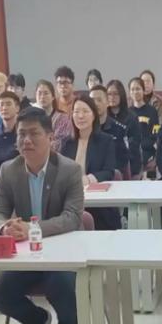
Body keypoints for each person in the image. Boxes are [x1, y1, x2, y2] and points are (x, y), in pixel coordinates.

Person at [0, 108, 85, 324]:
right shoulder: (9, 170)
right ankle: (36, 321)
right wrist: (4, 228)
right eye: (21, 134)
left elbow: (72, 217)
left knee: (60, 285)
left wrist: (32, 230)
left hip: (63, 250)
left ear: (50, 137)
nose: (26, 140)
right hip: (26, 254)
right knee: (0, 294)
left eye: (34, 134)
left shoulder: (70, 170)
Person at [61, 95, 121, 230]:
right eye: (76, 112)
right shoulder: (67, 143)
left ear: (93, 115)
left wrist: (86, 180)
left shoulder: (106, 141)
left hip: (99, 205)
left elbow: (109, 172)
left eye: (85, 111)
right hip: (71, 202)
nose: (80, 116)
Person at [88, 85, 130, 179]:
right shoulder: (85, 129)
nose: (96, 104)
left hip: (112, 177)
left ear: (107, 102)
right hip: (89, 177)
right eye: (92, 100)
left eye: (99, 100)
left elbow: (123, 159)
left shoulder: (119, 129)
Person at [105, 80, 143, 178]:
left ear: (121, 95)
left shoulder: (131, 117)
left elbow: (135, 144)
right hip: (107, 163)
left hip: (129, 162)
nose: (112, 97)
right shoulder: (103, 117)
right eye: (109, 94)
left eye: (115, 94)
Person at [129, 77, 160, 175]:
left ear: (143, 91)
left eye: (138, 89)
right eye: (132, 89)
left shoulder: (152, 111)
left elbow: (156, 132)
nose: (135, 92)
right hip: (132, 153)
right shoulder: (128, 112)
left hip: (148, 151)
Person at [34, 79, 72, 152]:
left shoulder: (63, 118)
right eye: (39, 93)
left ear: (53, 97)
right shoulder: (31, 118)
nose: (42, 97)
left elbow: (59, 144)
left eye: (46, 93)